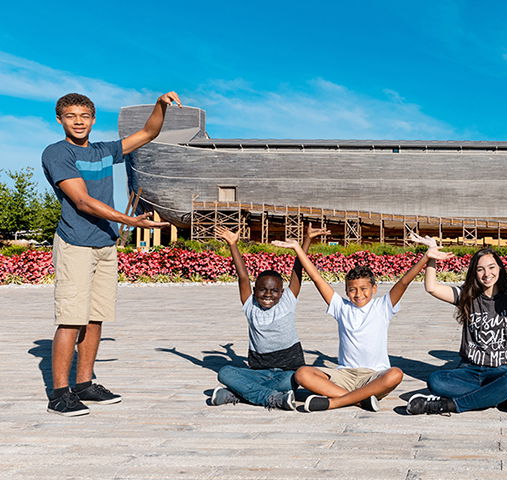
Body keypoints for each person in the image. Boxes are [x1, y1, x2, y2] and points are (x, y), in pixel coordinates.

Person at [41, 91, 181, 416]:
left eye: (85, 116)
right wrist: (127, 219)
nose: (78, 121)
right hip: (76, 243)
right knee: (70, 320)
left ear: (93, 119)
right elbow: (82, 201)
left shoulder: (105, 151)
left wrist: (159, 106)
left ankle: (84, 384)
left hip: (105, 244)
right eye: (71, 116)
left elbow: (148, 133)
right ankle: (60, 394)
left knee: (95, 316)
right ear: (60, 119)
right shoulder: (56, 153)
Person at [271, 238, 436, 412]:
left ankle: (335, 402)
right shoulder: (341, 307)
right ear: (346, 291)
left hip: (374, 377)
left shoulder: (383, 306)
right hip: (345, 375)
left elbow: (403, 282)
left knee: (395, 374)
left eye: (364, 288)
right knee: (302, 374)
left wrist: (425, 258)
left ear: (374, 288)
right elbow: (316, 278)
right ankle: (360, 401)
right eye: (352, 289)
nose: (358, 294)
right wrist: (298, 248)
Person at [405, 234, 507, 415]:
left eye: (491, 267)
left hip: (500, 371)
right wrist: (432, 255)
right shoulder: (467, 296)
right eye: (480, 270)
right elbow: (432, 287)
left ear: (500, 268)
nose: (487, 274)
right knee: (436, 381)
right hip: (468, 370)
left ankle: (448, 405)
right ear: (474, 273)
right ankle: (502, 397)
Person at [208, 226, 324, 410]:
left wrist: (306, 240)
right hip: (259, 373)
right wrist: (233, 244)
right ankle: (272, 398)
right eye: (262, 289)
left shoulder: (287, 302)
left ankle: (239, 394)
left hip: (288, 373)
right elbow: (243, 277)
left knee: (294, 381)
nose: (268, 294)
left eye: (274, 290)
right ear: (254, 292)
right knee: (225, 373)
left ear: (282, 292)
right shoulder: (250, 306)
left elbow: (298, 271)